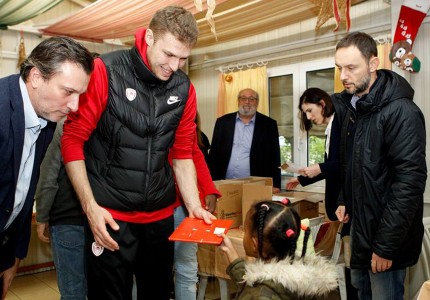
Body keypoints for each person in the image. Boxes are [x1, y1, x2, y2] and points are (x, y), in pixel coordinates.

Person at [61, 6, 215, 300]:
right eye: (169, 54)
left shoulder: (185, 88)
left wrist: (194, 205)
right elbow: (72, 141)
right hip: (110, 216)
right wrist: (91, 208)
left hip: (159, 218)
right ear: (148, 38)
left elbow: (183, 153)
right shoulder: (105, 71)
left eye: (183, 58)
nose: (175, 65)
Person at [333, 31, 427, 300]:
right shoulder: (356, 109)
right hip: (361, 234)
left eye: (352, 67)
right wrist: (344, 199)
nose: (344, 76)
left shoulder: (401, 111)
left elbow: (409, 184)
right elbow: (353, 166)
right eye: (340, 68)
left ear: (373, 64)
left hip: (386, 242)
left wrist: (385, 247)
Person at [0, 36, 93, 299]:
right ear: (37, 77)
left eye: (80, 95)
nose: (75, 106)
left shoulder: (45, 120)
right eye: (68, 92)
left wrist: (13, 258)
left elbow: (21, 191)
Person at [218, 200, 338, 299]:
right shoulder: (304, 281)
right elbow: (261, 284)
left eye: (245, 231)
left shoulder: (259, 295)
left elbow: (257, 291)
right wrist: (232, 254)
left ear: (255, 244)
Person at [35, 118, 87, 300]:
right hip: (103, 221)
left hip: (66, 219)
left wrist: (41, 216)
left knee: (73, 292)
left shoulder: (66, 124)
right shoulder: (110, 122)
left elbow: (48, 177)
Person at [172, 111, 221, 300]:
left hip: (186, 205)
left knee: (186, 266)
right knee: (150, 269)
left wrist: (209, 189)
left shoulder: (185, 118)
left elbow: (195, 155)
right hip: (152, 206)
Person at [208, 88, 281, 193]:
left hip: (255, 184)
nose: (247, 102)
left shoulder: (269, 124)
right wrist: (210, 181)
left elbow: (275, 156)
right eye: (243, 98)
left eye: (252, 99)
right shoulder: (223, 122)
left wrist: (276, 184)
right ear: (238, 101)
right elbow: (213, 153)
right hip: (224, 182)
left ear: (257, 102)